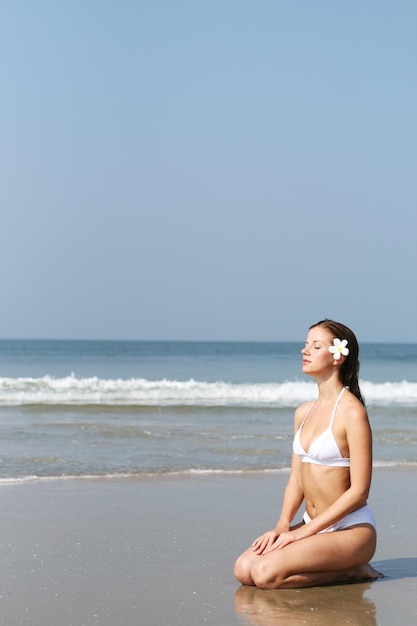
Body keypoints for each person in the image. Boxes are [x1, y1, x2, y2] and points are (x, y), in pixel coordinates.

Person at [234, 319, 382, 589]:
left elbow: (359, 492)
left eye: (316, 346)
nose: (305, 351)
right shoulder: (303, 412)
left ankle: (352, 570)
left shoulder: (352, 412)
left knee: (266, 575)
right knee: (244, 570)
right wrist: (283, 525)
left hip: (351, 531)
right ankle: (340, 565)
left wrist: (303, 534)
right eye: (305, 345)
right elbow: (297, 479)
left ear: (338, 356)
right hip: (310, 524)